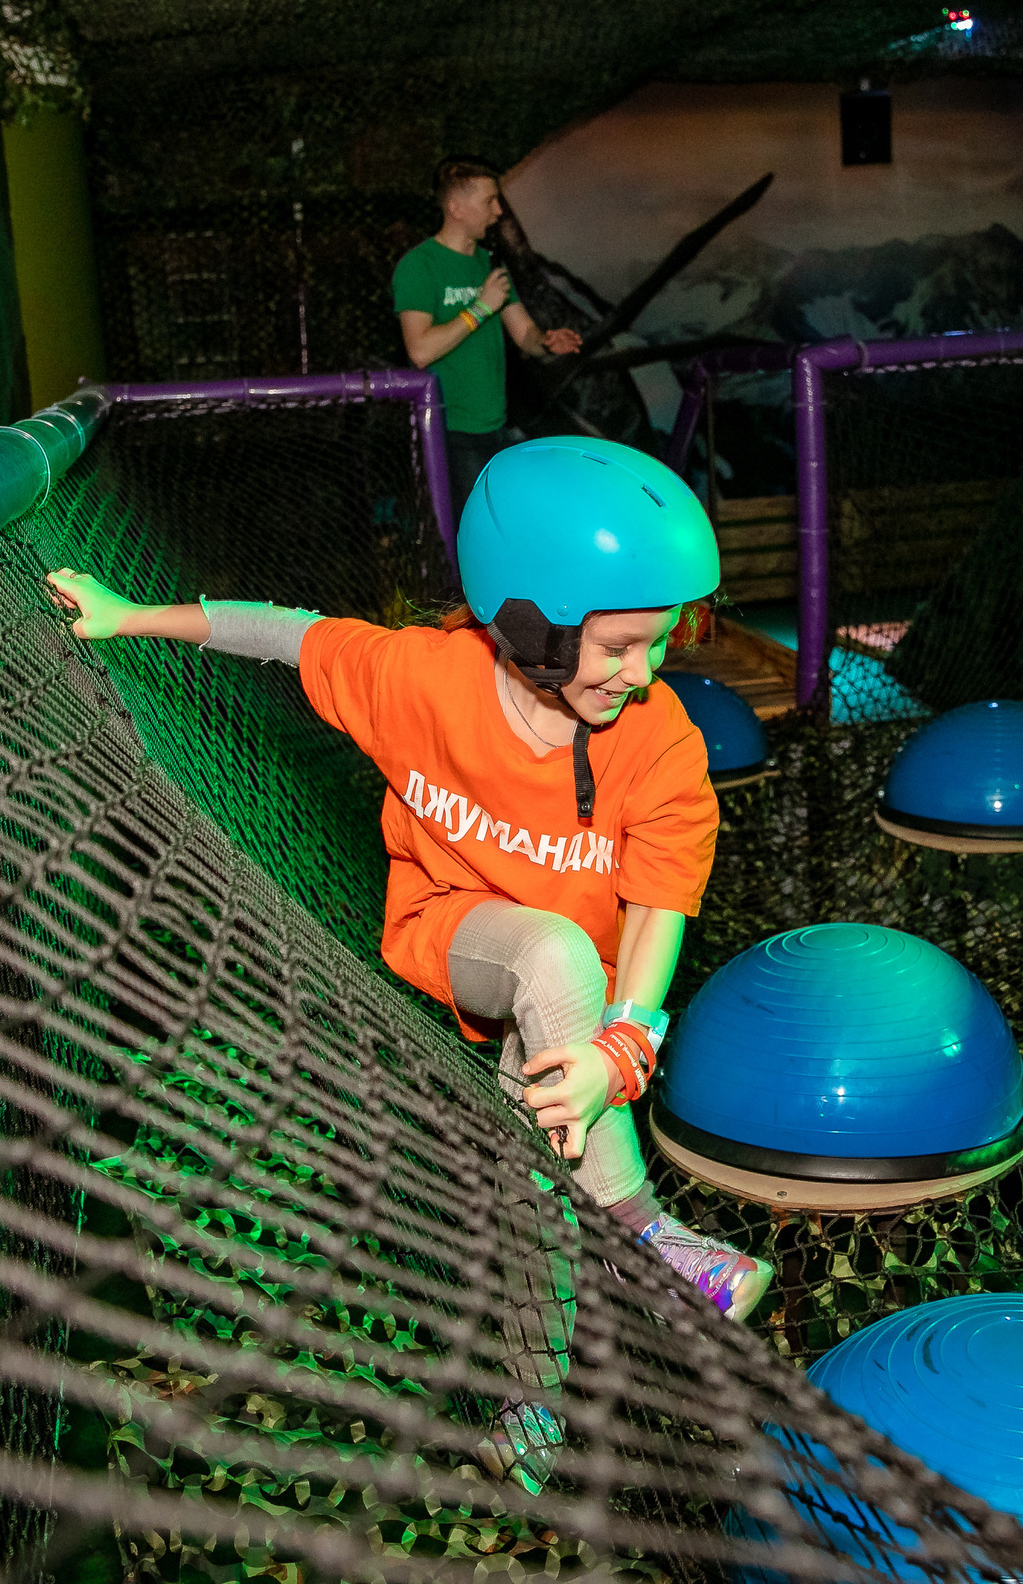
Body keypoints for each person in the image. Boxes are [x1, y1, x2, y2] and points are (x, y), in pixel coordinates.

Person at [43, 438, 770, 1493]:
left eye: (658, 642)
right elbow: (283, 633)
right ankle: (647, 1232)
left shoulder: (659, 742)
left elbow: (660, 908)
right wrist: (127, 616)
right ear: (531, 627)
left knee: (536, 1180)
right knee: (551, 948)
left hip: (576, 1002)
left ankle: (531, 1404)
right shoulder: (420, 678)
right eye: (619, 646)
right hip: (455, 929)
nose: (643, 671)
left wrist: (623, 1044)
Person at [394, 156, 583, 517]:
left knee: (500, 524)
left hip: (497, 426)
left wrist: (546, 342)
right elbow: (419, 350)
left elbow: (523, 332)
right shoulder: (419, 266)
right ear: (456, 208)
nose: (498, 211)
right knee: (466, 532)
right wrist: (481, 307)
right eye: (489, 201)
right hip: (448, 431)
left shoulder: (490, 263)